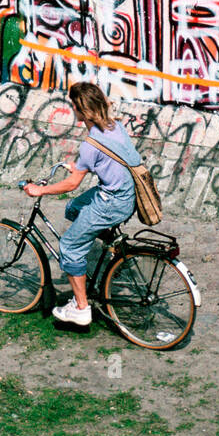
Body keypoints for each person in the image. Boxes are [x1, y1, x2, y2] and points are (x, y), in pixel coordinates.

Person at [23, 82, 141, 327]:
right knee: (73, 209)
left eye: (72, 104)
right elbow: (108, 163)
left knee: (69, 245)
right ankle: (110, 251)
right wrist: (79, 167)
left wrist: (40, 190)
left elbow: (71, 185)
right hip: (127, 196)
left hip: (111, 202)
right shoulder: (115, 126)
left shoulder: (90, 145)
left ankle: (81, 308)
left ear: (79, 108)